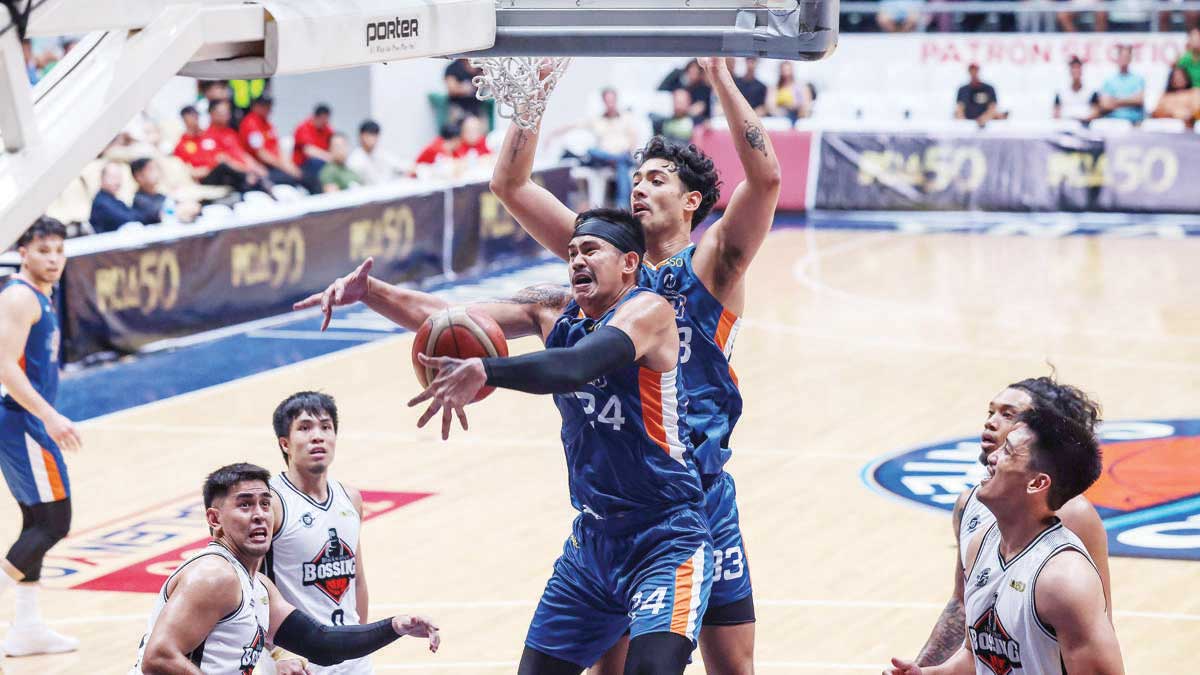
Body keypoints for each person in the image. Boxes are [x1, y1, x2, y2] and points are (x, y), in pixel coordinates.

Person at [297, 209, 714, 675]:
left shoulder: (649, 312)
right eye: (572, 253)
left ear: (629, 263)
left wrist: (486, 369)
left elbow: (575, 366)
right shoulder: (552, 309)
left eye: (591, 250)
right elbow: (450, 320)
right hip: (594, 542)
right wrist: (371, 292)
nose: (577, 260)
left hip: (665, 537)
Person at [487, 55, 780, 675]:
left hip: (701, 494)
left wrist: (719, 76)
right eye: (636, 178)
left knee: (733, 667)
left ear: (691, 200)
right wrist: (537, 91)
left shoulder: (713, 263)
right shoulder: (612, 264)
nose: (638, 187)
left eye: (656, 179)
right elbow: (511, 184)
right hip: (634, 497)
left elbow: (766, 179)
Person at [130, 462, 440, 674]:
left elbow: (321, 644)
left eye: (265, 504)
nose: (259, 514)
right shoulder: (214, 575)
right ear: (214, 519)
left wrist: (394, 626)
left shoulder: (260, 587)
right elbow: (158, 658)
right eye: (245, 504)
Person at [886, 405, 1124, 674]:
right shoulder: (981, 544)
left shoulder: (1064, 580)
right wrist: (928, 673)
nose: (992, 457)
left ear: (1037, 483)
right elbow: (977, 656)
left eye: (1007, 451)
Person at [0, 218, 81, 658]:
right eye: (43, 250)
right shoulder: (19, 297)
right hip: (22, 421)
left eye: (58, 251)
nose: (53, 259)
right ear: (23, 252)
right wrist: (49, 416)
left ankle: (27, 628)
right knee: (53, 522)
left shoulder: (40, 294)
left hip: (23, 420)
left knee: (36, 521)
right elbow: (3, 366)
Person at [264, 392, 374, 675]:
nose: (318, 436)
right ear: (285, 443)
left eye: (326, 427)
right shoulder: (271, 503)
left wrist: (361, 641)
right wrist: (276, 653)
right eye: (305, 428)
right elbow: (251, 586)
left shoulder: (350, 498)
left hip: (353, 661)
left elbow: (357, 580)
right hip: (296, 662)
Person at [173, 105, 257, 192]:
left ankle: (249, 182)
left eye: (196, 117)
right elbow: (188, 170)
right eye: (190, 118)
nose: (194, 120)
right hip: (206, 177)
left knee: (229, 173)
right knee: (223, 167)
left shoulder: (209, 136)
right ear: (184, 121)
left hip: (223, 172)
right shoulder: (182, 145)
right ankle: (247, 177)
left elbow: (224, 155)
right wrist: (206, 169)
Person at [239, 96, 311, 191]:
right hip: (263, 169)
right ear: (256, 106)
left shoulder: (267, 124)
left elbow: (277, 147)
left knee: (306, 175)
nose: (269, 109)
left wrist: (288, 165)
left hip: (276, 165)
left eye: (269, 105)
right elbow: (261, 153)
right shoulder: (251, 123)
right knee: (292, 178)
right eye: (265, 106)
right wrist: (284, 166)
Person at [203, 100, 272, 189]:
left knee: (270, 175)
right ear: (212, 114)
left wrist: (257, 168)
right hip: (224, 177)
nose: (226, 115)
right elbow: (222, 161)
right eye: (222, 112)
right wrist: (246, 172)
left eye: (227, 112)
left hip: (242, 173)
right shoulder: (207, 136)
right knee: (225, 168)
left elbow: (242, 154)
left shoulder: (231, 133)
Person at [1097, 45, 1145, 124]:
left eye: (1126, 57)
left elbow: (1139, 100)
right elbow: (1105, 104)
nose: (1124, 59)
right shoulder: (1109, 81)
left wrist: (1115, 100)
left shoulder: (1138, 79)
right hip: (1113, 122)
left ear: (1130, 58)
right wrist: (1129, 101)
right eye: (1122, 57)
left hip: (1134, 123)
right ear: (1117, 58)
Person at [89, 162, 141, 233]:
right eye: (113, 177)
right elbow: (127, 219)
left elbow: (135, 215)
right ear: (102, 178)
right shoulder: (101, 202)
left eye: (119, 177)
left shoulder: (114, 201)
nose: (117, 181)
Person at [347, 120, 403, 186]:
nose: (372, 139)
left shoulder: (382, 153)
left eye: (375, 135)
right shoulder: (355, 159)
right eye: (369, 135)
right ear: (361, 136)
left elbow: (400, 165)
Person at [293, 104, 336, 188]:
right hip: (303, 166)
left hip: (321, 162)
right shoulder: (303, 127)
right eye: (323, 120)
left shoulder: (326, 128)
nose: (325, 123)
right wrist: (330, 158)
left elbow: (334, 143)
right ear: (316, 117)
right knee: (318, 163)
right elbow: (309, 151)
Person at [1053, 56, 1098, 124]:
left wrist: (1081, 120)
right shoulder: (1060, 93)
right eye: (1073, 68)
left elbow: (1095, 112)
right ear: (1070, 71)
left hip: (1084, 127)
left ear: (1081, 70)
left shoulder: (1092, 92)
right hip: (1065, 127)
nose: (1076, 70)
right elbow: (1056, 114)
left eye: (1078, 68)